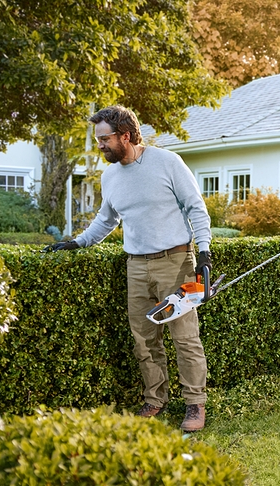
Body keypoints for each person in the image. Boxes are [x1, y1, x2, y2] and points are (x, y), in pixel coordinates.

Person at [45, 105, 211, 432]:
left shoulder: (167, 162)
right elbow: (106, 220)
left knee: (185, 338)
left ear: (126, 135)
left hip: (175, 262)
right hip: (136, 266)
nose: (100, 145)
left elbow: (196, 207)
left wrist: (204, 253)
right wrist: (78, 243)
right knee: (144, 340)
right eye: (98, 140)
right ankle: (155, 399)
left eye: (105, 139)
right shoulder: (110, 175)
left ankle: (194, 404)